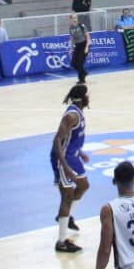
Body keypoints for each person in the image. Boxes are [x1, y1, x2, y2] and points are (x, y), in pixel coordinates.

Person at [52, 84, 91, 254]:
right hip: (64, 159)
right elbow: (57, 142)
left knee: (83, 186)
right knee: (66, 198)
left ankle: (65, 218)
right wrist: (65, 167)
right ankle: (61, 242)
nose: (90, 97)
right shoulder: (72, 116)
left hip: (73, 156)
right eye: (88, 95)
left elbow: (70, 137)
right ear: (83, 98)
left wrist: (79, 152)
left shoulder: (78, 112)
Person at [70, 13, 89, 84]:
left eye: (76, 18)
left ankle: (81, 79)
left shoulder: (81, 26)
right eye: (73, 18)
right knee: (73, 63)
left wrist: (87, 47)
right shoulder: (71, 28)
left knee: (80, 63)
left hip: (84, 45)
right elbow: (72, 39)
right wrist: (71, 49)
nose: (75, 19)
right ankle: (84, 72)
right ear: (71, 19)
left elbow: (88, 37)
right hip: (77, 46)